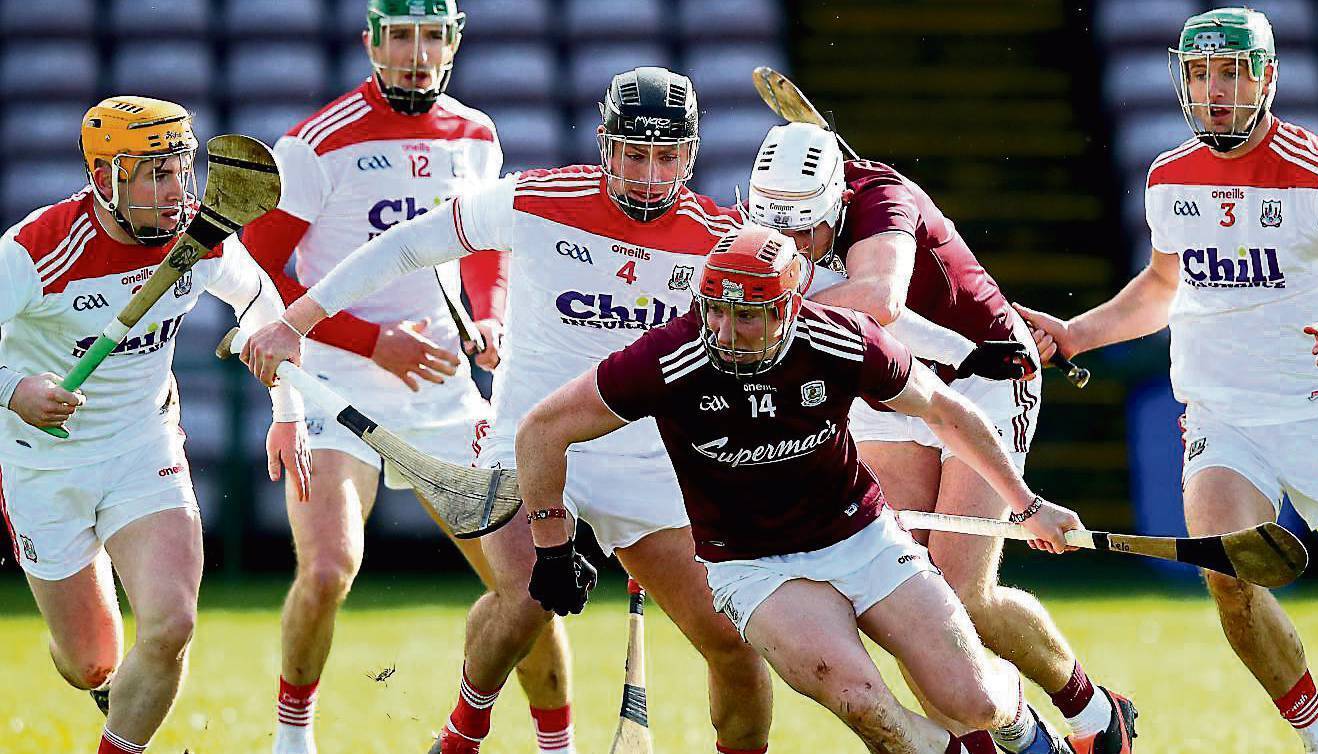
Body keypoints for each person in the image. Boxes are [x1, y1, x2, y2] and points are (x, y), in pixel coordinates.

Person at [240, 67, 776, 754]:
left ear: (691, 155)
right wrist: (298, 320)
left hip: (645, 464)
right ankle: (462, 736)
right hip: (533, 448)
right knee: (525, 595)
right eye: (633, 154)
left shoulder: (722, 237)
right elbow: (405, 245)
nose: (648, 175)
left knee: (734, 644)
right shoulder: (535, 200)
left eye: (666, 157)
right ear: (604, 145)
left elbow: (808, 309)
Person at [517, 224, 1082, 754]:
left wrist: (1027, 505)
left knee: (975, 701)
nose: (725, 333)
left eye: (747, 316)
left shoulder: (840, 340)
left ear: (788, 309)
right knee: (862, 701)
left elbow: (945, 410)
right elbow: (542, 430)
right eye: (715, 311)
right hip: (753, 564)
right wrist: (552, 545)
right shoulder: (669, 358)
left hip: (865, 538)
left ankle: (1023, 728)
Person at [1017, 8, 1318, 754]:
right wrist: (1077, 334)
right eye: (1199, 73)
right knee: (1227, 572)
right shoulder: (1168, 176)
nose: (1213, 90)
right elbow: (1163, 285)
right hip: (1223, 419)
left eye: (1230, 73)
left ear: (1266, 78)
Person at [237, 3, 574, 752]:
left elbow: (484, 246)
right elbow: (257, 273)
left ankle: (558, 744)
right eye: (399, 36)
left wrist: (489, 319)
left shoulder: (475, 134)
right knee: (328, 570)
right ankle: (292, 739)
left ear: (453, 42)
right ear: (370, 42)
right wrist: (370, 340)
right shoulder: (315, 144)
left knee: (528, 584)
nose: (416, 55)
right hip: (333, 387)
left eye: (432, 36)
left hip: (445, 393)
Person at [745, 122, 1138, 753]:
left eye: (804, 231)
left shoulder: (882, 199)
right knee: (908, 598)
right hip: (887, 391)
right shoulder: (767, 229)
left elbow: (881, 298)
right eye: (775, 230)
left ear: (835, 202)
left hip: (985, 379)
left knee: (963, 598)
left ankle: (1093, 710)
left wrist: (766, 307)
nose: (789, 247)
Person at [0, 96, 310, 754]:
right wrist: (14, 389)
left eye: (183, 170)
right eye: (156, 174)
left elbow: (262, 303)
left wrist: (287, 411)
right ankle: (100, 674)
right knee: (89, 661)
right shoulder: (36, 249)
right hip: (43, 462)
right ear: (105, 178)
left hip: (145, 448)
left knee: (170, 626)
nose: (177, 191)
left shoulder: (198, 233)